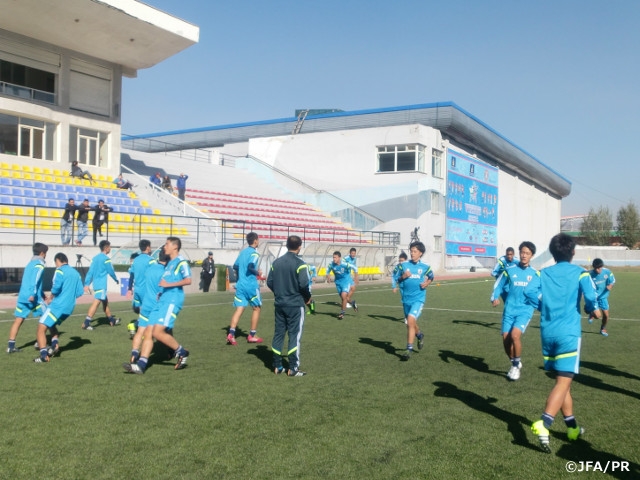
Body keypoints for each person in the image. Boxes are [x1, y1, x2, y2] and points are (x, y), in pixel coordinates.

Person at [525, 233, 600, 453]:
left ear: (553, 252)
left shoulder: (543, 272)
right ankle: (545, 422)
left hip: (548, 333)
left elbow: (529, 292)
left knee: (563, 381)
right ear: (573, 251)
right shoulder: (581, 273)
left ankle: (572, 428)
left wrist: (544, 305)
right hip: (568, 333)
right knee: (564, 380)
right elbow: (590, 297)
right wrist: (591, 310)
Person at [123, 237, 191, 374]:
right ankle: (141, 365)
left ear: (175, 247)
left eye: (167, 244)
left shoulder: (181, 262)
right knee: (148, 332)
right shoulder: (170, 264)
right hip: (161, 301)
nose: (164, 246)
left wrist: (168, 285)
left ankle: (182, 352)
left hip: (172, 301)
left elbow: (188, 280)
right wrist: (161, 292)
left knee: (157, 332)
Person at [490, 241, 538, 381]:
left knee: (515, 336)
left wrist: (542, 307)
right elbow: (498, 284)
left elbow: (539, 293)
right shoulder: (509, 270)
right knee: (506, 339)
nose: (524, 255)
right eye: (522, 252)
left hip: (525, 310)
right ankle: (514, 362)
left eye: (527, 253)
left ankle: (516, 367)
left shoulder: (535, 274)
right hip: (509, 309)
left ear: (532, 256)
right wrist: (494, 297)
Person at [267, 235, 312, 376]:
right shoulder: (300, 263)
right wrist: (308, 298)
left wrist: (280, 293)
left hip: (280, 304)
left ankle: (277, 366)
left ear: (287, 245)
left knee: (278, 334)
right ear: (299, 246)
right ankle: (293, 368)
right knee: (294, 335)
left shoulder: (276, 263)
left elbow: (269, 282)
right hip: (295, 305)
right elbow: (304, 284)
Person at [34, 252, 84, 363]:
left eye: (55, 262)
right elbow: (80, 292)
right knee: (51, 325)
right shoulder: (76, 273)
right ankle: (55, 345)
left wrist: (51, 297)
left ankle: (43, 355)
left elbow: (56, 287)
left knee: (41, 328)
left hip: (58, 305)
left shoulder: (60, 270)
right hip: (69, 307)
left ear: (58, 261)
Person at [128, 248, 168, 363]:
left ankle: (134, 353)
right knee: (152, 334)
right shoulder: (164, 272)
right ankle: (144, 361)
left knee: (140, 331)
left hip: (146, 304)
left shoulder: (150, 269)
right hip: (155, 307)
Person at [395, 241, 434, 361]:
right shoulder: (404, 265)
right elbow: (397, 278)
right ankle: (420, 335)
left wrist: (427, 283)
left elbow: (431, 276)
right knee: (411, 323)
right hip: (406, 300)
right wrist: (403, 277)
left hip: (418, 299)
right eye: (411, 251)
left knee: (410, 321)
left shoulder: (425, 266)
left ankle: (409, 349)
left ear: (420, 253)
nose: (412, 253)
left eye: (414, 251)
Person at [7, 243, 48, 353]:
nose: (45, 256)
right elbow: (35, 280)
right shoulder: (39, 264)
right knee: (48, 317)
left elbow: (29, 281)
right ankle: (40, 342)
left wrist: (42, 293)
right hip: (33, 297)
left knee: (18, 320)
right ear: (42, 253)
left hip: (22, 296)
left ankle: (10, 346)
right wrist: (34, 294)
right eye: (46, 253)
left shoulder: (30, 264)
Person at [226, 232, 264, 345]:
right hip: (251, 285)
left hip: (240, 285)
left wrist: (241, 274)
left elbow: (235, 266)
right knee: (256, 308)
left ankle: (231, 334)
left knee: (239, 309)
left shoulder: (242, 253)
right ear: (256, 240)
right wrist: (258, 273)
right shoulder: (254, 253)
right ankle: (252, 335)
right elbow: (250, 266)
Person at [82, 240, 120, 330]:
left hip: (96, 284)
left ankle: (111, 320)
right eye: (109, 247)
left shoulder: (95, 258)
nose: (110, 249)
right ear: (106, 248)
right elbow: (110, 271)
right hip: (102, 285)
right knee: (96, 302)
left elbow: (90, 272)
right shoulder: (106, 259)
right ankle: (86, 322)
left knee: (105, 302)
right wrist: (116, 279)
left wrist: (87, 284)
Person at [127, 239, 156, 331]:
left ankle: (140, 330)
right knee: (151, 311)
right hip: (147, 290)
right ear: (147, 247)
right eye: (150, 247)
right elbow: (156, 273)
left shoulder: (136, 260)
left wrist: (129, 288)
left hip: (137, 289)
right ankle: (136, 325)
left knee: (142, 311)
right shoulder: (151, 260)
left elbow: (131, 274)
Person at [325, 251, 358, 319]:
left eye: (335, 257)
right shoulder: (331, 264)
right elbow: (327, 271)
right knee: (345, 299)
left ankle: (342, 313)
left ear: (339, 258)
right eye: (333, 257)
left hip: (346, 281)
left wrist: (356, 277)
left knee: (343, 296)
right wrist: (328, 276)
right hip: (338, 282)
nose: (334, 259)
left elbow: (355, 268)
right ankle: (352, 303)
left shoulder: (345, 264)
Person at [589, 258, 615, 336]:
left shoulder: (607, 272)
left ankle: (603, 329)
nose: (597, 270)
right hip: (594, 298)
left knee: (606, 315)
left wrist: (610, 285)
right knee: (597, 316)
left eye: (599, 268)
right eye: (596, 268)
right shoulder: (589, 274)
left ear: (602, 267)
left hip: (603, 297)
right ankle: (592, 314)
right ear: (593, 267)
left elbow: (612, 280)